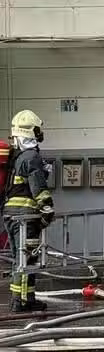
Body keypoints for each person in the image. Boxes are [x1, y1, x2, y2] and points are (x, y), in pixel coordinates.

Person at [2, 110, 53, 312]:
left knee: (20, 257)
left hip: (12, 213)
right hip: (25, 215)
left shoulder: (17, 156)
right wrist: (46, 207)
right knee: (27, 258)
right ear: (31, 131)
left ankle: (25, 297)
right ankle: (21, 301)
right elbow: (37, 186)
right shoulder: (31, 156)